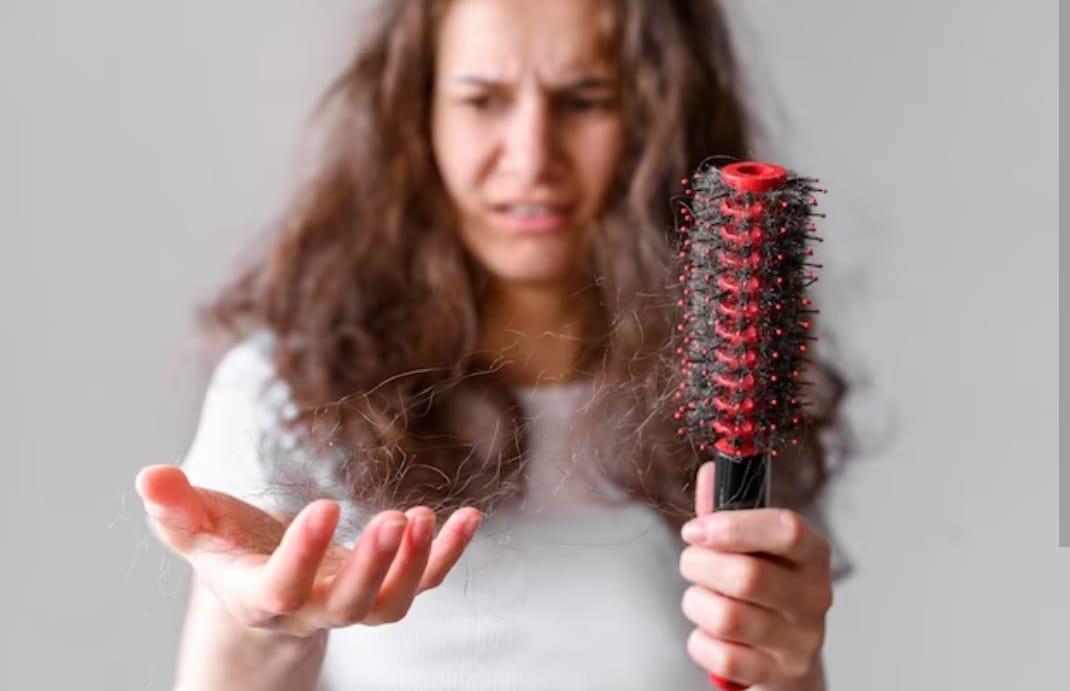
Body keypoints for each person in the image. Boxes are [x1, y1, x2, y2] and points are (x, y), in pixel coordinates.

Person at [136, 0, 852, 689]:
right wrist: (261, 622)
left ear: (657, 115)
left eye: (584, 99)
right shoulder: (285, 390)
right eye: (482, 100)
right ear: (418, 115)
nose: (533, 155)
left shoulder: (742, 396)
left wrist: (790, 672)